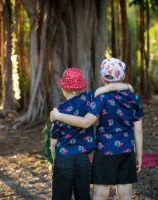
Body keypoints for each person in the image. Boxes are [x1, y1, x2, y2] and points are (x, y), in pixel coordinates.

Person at [50, 58, 144, 200]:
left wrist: (58, 115)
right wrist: (139, 156)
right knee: (125, 194)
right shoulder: (133, 98)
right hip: (126, 149)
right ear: (123, 76)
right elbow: (138, 130)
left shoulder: (100, 99)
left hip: (104, 149)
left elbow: (85, 122)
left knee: (100, 194)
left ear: (102, 78)